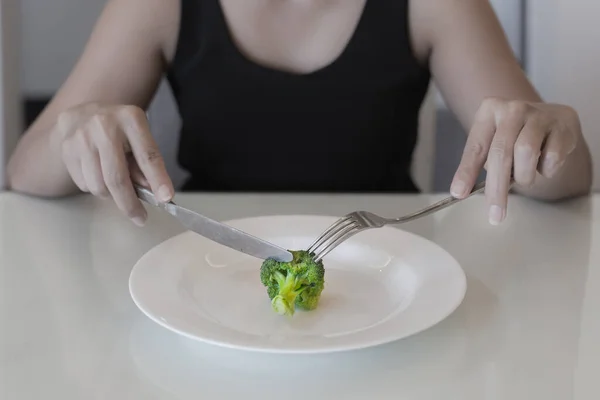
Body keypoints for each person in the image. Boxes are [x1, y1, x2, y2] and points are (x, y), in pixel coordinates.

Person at [7, 0, 593, 228]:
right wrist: (70, 136)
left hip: (392, 268)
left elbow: (567, 181)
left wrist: (551, 135)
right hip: (205, 267)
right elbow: (25, 171)